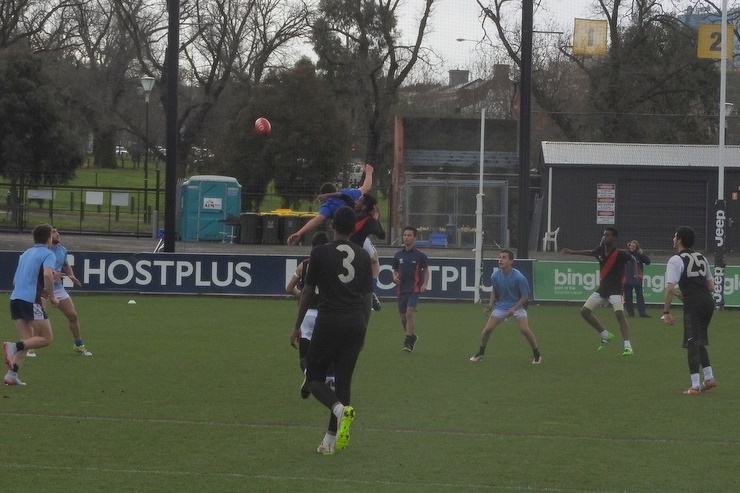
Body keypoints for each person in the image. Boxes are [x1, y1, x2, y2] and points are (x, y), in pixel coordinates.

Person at [292, 206, 372, 455]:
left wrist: (297, 326)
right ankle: (329, 442)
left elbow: (306, 291)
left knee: (314, 377)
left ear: (332, 226)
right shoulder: (361, 255)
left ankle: (339, 410)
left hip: (329, 320)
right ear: (354, 228)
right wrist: (364, 330)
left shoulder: (320, 253)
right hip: (355, 321)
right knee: (343, 381)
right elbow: (367, 297)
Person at [561, 226, 636, 356]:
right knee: (584, 312)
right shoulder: (600, 250)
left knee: (619, 315)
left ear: (614, 238)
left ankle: (627, 345)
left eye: (608, 235)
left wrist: (637, 274)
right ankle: (605, 335)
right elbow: (589, 252)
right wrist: (572, 252)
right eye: (604, 235)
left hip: (616, 290)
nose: (605, 237)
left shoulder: (620, 254)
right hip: (603, 289)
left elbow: (633, 259)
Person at [662, 226, 717, 395]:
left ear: (679, 240)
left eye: (675, 236)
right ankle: (709, 378)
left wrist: (666, 312)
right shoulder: (702, 257)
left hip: (694, 305)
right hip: (707, 302)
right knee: (698, 339)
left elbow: (670, 288)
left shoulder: (675, 260)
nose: (673, 239)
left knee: (692, 342)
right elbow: (711, 286)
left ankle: (694, 386)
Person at [3, 224, 59, 386]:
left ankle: (11, 375)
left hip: (15, 299)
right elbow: (48, 275)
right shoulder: (48, 254)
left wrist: (40, 290)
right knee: (46, 338)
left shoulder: (26, 253)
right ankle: (12, 346)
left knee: (29, 340)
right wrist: (52, 296)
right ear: (48, 238)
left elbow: (16, 279)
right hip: (30, 301)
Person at [469, 249, 542, 364]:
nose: (500, 260)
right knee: (487, 329)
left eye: (504, 257)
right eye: (499, 257)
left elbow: (525, 297)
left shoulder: (519, 277)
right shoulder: (495, 275)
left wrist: (514, 309)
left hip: (518, 307)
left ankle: (537, 354)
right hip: (501, 306)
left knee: (524, 329)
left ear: (511, 261)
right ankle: (481, 353)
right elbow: (494, 290)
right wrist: (490, 305)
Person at [286, 231, 333, 398]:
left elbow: (289, 288)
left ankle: (308, 372)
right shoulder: (332, 265)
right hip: (326, 313)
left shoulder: (304, 265)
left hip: (307, 315)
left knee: (305, 355)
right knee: (327, 350)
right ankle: (328, 381)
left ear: (312, 247)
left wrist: (304, 297)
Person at [286, 164, 374, 245]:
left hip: (344, 239)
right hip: (359, 234)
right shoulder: (346, 193)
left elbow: (316, 220)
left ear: (324, 195)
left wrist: (299, 233)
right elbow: (366, 187)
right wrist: (369, 173)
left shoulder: (329, 205)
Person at [42, 227, 92, 356]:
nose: (58, 234)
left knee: (73, 316)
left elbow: (65, 264)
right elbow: (37, 268)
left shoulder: (62, 250)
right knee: (38, 318)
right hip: (41, 289)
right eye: (54, 232)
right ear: (47, 236)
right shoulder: (41, 251)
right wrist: (51, 273)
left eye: (58, 232)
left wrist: (71, 275)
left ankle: (79, 344)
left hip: (57, 288)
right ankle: (29, 346)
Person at [392, 226, 429, 352]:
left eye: (409, 235)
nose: (406, 237)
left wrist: (424, 284)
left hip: (414, 289)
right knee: (403, 318)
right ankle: (412, 336)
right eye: (405, 235)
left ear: (414, 238)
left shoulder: (420, 255)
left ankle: (407, 341)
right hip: (401, 289)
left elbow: (426, 270)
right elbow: (395, 270)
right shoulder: (398, 255)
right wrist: (394, 277)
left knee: (409, 313)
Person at [350, 193, 385, 311]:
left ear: (364, 206)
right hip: (357, 251)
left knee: (374, 260)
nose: (356, 202)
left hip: (346, 247)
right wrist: (377, 219)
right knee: (374, 261)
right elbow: (381, 235)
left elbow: (344, 197)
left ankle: (369, 292)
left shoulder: (351, 214)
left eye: (359, 201)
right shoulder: (369, 221)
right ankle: (371, 291)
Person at [623, 239, 651, 318]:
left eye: (634, 246)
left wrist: (642, 254)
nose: (632, 247)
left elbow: (648, 262)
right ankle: (630, 313)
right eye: (631, 246)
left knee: (640, 296)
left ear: (637, 248)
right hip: (627, 279)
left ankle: (642, 313)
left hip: (637, 279)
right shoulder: (625, 254)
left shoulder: (639, 255)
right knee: (628, 297)